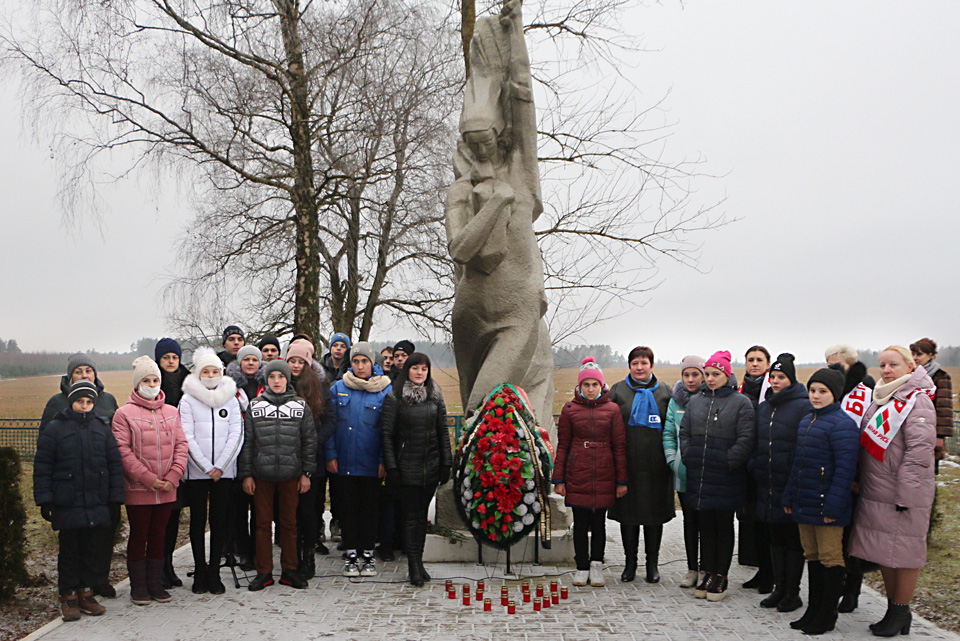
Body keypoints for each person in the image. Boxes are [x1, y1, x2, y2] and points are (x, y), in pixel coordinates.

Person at [848, 346, 936, 637]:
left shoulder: (917, 401)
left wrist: (907, 497)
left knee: (906, 554)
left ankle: (899, 611)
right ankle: (895, 610)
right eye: (883, 364)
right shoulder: (882, 397)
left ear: (910, 367)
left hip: (903, 494)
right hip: (876, 490)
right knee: (884, 552)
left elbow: (919, 453)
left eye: (893, 364)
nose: (886, 370)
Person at [34, 380, 125, 622]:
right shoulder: (55, 429)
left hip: (96, 500)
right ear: (71, 402)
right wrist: (45, 499)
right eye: (79, 401)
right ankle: (68, 595)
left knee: (92, 549)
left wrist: (115, 498)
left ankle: (86, 592)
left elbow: (114, 464)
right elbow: (43, 465)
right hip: (67, 500)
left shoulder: (101, 428)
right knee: (70, 550)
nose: (84, 406)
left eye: (88, 402)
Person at [782, 367, 860, 635]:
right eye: (813, 390)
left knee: (830, 558)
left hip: (828, 505)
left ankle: (827, 614)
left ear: (835, 394)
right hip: (805, 501)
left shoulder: (843, 425)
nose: (815, 396)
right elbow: (798, 465)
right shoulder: (807, 421)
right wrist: (790, 495)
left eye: (822, 391)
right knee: (812, 556)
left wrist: (834, 507)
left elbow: (845, 470)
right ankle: (813, 610)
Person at [112, 356, 188, 605]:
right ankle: (138, 586)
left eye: (155, 379)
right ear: (137, 384)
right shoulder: (123, 414)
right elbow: (123, 451)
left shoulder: (172, 412)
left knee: (160, 534)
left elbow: (181, 445)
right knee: (139, 534)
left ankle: (156, 584)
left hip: (167, 487)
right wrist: (147, 478)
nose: (152, 384)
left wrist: (174, 475)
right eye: (146, 380)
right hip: (139, 488)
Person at [680, 350, 755, 602]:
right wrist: (689, 456)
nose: (710, 379)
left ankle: (720, 575)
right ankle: (707, 572)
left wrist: (727, 461)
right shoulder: (696, 401)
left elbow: (746, 439)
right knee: (705, 527)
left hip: (725, 477)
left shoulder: (740, 402)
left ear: (727, 375)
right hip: (699, 475)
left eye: (716, 374)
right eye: (708, 374)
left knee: (723, 526)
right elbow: (685, 433)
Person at [239, 359, 318, 591]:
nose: (276, 381)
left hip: (291, 474)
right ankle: (264, 572)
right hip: (261, 475)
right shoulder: (255, 406)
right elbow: (248, 443)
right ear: (267, 379)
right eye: (272, 377)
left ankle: (289, 570)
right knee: (262, 524)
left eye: (281, 377)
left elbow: (309, 442)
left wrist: (306, 473)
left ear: (287, 379)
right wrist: (247, 475)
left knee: (289, 524)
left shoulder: (300, 406)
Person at [552, 358, 627, 588]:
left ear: (602, 386)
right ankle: (581, 567)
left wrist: (621, 480)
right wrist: (559, 479)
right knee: (581, 525)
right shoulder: (570, 409)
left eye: (595, 384)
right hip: (579, 472)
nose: (591, 389)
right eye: (587, 385)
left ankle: (596, 566)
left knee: (599, 524)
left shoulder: (612, 409)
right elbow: (563, 445)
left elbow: (619, 446)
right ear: (580, 387)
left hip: (605, 472)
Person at [381, 352, 453, 586]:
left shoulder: (435, 396)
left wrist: (446, 462)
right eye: (415, 368)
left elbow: (443, 431)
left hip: (430, 467)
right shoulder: (395, 397)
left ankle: (420, 562)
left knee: (421, 517)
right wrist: (392, 468)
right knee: (410, 517)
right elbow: (387, 436)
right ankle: (412, 565)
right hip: (406, 467)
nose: (420, 372)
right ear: (407, 370)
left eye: (424, 368)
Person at [178, 347, 243, 594]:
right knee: (197, 522)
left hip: (224, 473)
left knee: (220, 522)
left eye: (215, 370)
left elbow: (237, 434)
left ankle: (215, 571)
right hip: (197, 473)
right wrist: (206, 467)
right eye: (206, 370)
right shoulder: (188, 399)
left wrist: (221, 466)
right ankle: (200, 572)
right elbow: (186, 436)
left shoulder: (231, 397)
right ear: (198, 373)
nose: (211, 374)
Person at [749, 354, 811, 613]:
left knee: (792, 541)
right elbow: (756, 441)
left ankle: (792, 592)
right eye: (772, 377)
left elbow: (804, 447)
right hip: (767, 484)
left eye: (781, 377)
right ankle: (778, 587)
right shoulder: (765, 407)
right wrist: (755, 466)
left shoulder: (803, 406)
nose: (775, 381)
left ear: (791, 379)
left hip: (790, 484)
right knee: (774, 538)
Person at [326, 342, 392, 577]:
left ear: (372, 363)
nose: (360, 366)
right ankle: (351, 555)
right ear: (350, 363)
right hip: (344, 462)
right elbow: (331, 425)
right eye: (356, 361)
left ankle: (368, 555)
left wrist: (384, 460)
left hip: (371, 463)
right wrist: (331, 454)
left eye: (364, 361)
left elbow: (387, 430)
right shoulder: (338, 388)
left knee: (369, 511)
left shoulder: (385, 390)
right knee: (348, 510)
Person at [608, 346, 673, 584]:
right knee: (629, 516)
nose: (639, 367)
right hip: (628, 465)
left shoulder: (665, 391)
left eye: (644, 363)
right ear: (629, 366)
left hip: (657, 467)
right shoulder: (618, 391)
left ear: (652, 366)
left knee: (654, 517)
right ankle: (630, 564)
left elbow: (672, 428)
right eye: (635, 363)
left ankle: (652, 564)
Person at [286, 340, 337, 575]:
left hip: (312, 460)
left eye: (300, 361)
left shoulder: (319, 386)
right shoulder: (280, 383)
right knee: (289, 514)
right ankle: (292, 558)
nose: (296, 366)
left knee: (308, 512)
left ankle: (308, 556)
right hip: (286, 459)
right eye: (292, 361)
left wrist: (312, 441)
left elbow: (330, 420)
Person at [662, 355, 705, 588]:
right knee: (690, 522)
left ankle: (707, 567)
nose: (690, 379)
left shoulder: (710, 398)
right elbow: (669, 433)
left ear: (704, 375)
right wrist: (672, 461)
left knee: (706, 523)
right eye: (686, 374)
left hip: (708, 474)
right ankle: (692, 569)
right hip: (683, 472)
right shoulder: (675, 402)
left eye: (695, 374)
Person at [155, 338, 191, 590]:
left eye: (174, 357)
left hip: (183, 456)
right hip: (157, 458)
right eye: (166, 357)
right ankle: (158, 566)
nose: (170, 361)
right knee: (159, 519)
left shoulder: (190, 384)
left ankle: (168, 564)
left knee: (175, 514)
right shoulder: (151, 383)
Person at [738, 345, 772, 593]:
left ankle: (770, 570)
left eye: (760, 360)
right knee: (750, 518)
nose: (755, 364)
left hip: (767, 463)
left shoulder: (772, 389)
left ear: (768, 363)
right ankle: (756, 564)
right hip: (744, 463)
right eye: (750, 360)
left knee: (766, 519)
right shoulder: (740, 389)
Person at [40, 353, 119, 431]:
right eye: (78, 372)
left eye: (88, 371)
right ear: (71, 377)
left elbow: (118, 432)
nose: (84, 375)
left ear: (94, 374)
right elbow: (46, 437)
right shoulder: (56, 402)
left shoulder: (108, 400)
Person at [909, 338, 953, 471]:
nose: (915, 358)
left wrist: (940, 436)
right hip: (912, 428)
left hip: (930, 430)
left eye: (919, 354)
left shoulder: (940, 377)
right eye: (913, 354)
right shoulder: (909, 374)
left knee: (928, 470)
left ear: (931, 355)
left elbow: (944, 410)